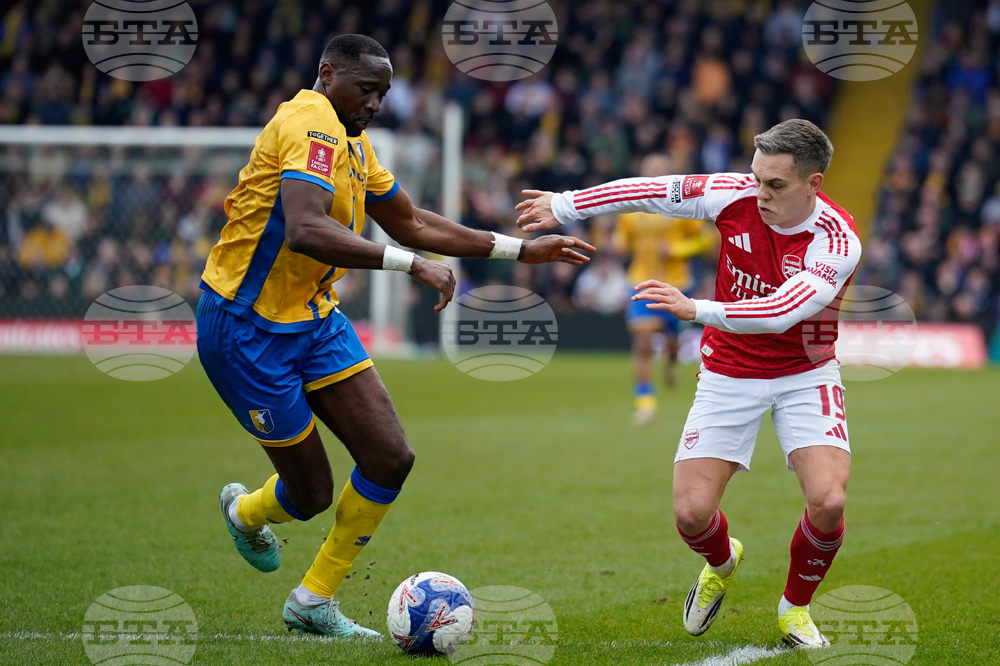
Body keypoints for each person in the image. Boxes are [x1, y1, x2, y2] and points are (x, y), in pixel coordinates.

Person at [197, 34, 595, 640]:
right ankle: (244, 511)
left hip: (313, 318)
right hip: (245, 327)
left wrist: (519, 251)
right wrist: (410, 265)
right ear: (328, 74)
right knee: (311, 493)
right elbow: (305, 229)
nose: (376, 104)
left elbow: (411, 222)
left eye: (382, 93)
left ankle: (312, 600)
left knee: (389, 457)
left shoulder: (354, 145)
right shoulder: (308, 124)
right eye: (366, 89)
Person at [516, 119, 860, 649]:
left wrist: (694, 308)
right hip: (730, 371)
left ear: (814, 184)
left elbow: (781, 313)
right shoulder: (732, 193)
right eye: (756, 178)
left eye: (776, 185)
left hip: (805, 372)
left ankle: (794, 609)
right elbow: (653, 191)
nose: (759, 193)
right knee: (691, 514)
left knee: (829, 500)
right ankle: (721, 564)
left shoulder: (837, 238)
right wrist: (566, 205)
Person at [611, 153, 716, 424]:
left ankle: (670, 363)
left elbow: (706, 239)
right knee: (643, 345)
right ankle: (646, 405)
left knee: (672, 344)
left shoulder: (682, 207)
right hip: (640, 281)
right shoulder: (631, 210)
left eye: (660, 171)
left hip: (676, 284)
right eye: (650, 171)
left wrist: (676, 249)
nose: (654, 176)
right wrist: (618, 244)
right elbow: (622, 238)